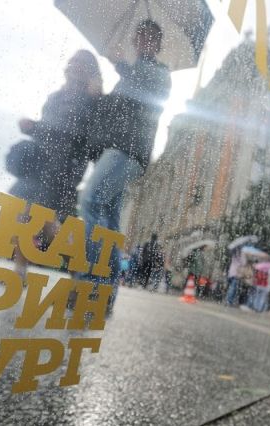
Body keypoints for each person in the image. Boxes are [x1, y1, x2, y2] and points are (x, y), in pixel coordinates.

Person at [78, 20, 172, 295]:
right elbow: (115, 111)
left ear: (158, 44)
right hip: (117, 148)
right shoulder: (130, 74)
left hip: (128, 150)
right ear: (135, 40)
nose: (144, 41)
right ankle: (104, 291)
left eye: (150, 37)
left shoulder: (159, 73)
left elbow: (144, 92)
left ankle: (89, 283)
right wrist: (98, 95)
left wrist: (120, 63)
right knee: (108, 216)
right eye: (140, 36)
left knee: (91, 201)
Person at [8, 50, 102, 277]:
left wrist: (36, 128)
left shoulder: (91, 99)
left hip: (64, 167)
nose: (73, 65)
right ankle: (20, 270)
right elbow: (48, 129)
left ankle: (78, 270)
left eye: (80, 63)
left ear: (89, 70)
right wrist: (32, 127)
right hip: (39, 163)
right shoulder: (54, 97)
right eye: (72, 61)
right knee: (25, 214)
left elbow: (77, 135)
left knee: (49, 221)